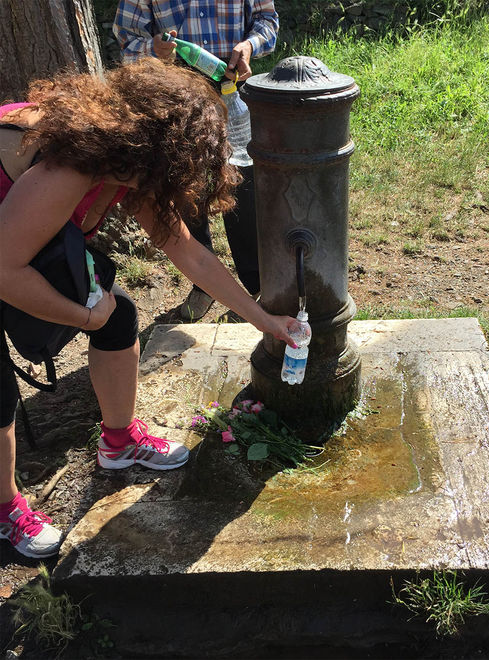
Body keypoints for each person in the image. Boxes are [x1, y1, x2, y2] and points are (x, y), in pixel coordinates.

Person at [0, 58, 296, 559]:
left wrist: (263, 318)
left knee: (120, 317)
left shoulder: (123, 158)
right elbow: (5, 270)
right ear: (157, 151)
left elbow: (188, 252)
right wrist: (83, 317)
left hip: (12, 240)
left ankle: (117, 444)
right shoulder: (71, 162)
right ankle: (5, 509)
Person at [113, 0, 280, 321]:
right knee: (184, 185)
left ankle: (258, 287)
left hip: (232, 87)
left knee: (242, 185)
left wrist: (249, 45)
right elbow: (127, 38)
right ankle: (204, 285)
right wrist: (153, 49)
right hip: (172, 93)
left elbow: (267, 21)